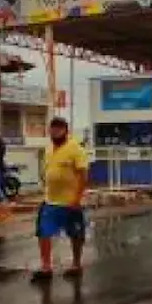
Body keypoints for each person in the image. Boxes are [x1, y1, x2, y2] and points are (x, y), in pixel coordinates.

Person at [33, 117, 89, 281]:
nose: (55, 132)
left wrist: (77, 199)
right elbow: (48, 172)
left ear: (66, 131)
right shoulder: (49, 149)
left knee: (75, 234)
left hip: (71, 202)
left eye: (59, 129)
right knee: (43, 231)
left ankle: (76, 264)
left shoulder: (75, 149)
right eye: (53, 129)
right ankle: (46, 267)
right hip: (50, 201)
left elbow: (83, 175)